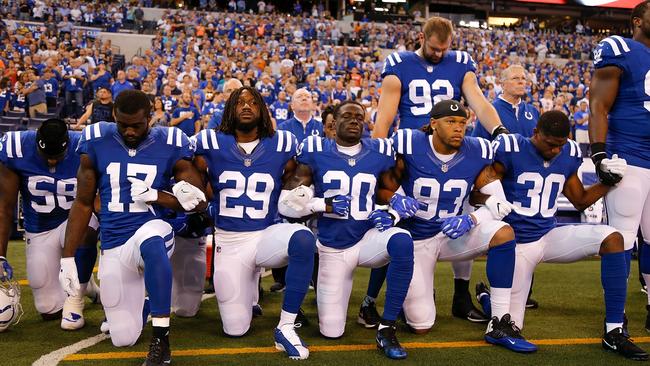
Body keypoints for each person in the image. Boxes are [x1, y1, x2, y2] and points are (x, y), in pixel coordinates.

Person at [371, 16, 510, 324]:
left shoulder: (460, 62)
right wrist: (377, 150)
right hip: (414, 151)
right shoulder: (400, 62)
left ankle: (461, 295)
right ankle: (395, 294)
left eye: (444, 49)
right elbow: (385, 112)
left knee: (459, 213)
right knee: (405, 223)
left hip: (454, 150)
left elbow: (477, 100)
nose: (438, 54)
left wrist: (498, 129)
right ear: (421, 38)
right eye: (434, 48)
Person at [479, 111, 647, 360]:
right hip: (516, 245)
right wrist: (489, 201)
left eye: (561, 144)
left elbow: (580, 200)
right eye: (550, 144)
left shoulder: (568, 152)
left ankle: (614, 331)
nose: (556, 150)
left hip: (547, 236)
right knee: (509, 323)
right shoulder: (510, 147)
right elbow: (477, 189)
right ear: (536, 133)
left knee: (613, 238)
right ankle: (487, 300)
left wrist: (610, 181)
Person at [59, 90, 207, 366]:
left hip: (153, 228)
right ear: (114, 116)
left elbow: (198, 202)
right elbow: (82, 203)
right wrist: (68, 257)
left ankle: (161, 340)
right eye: (122, 124)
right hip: (114, 243)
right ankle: (146, 305)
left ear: (149, 118)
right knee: (122, 337)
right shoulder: (95, 140)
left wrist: (157, 196)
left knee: (152, 240)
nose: (128, 131)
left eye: (136, 125)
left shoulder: (171, 141)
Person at [377, 100, 535, 353]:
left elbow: (500, 205)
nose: (458, 128)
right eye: (451, 122)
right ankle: (420, 295)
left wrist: (471, 219)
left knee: (503, 233)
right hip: (417, 240)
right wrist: (395, 198)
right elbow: (381, 186)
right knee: (421, 324)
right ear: (433, 124)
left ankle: (499, 322)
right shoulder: (409, 144)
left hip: (453, 234)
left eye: (462, 123)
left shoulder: (478, 150)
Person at [279, 100, 414, 360]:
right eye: (347, 116)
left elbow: (398, 196)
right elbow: (286, 205)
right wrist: (322, 204)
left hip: (367, 238)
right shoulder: (315, 151)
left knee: (401, 240)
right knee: (331, 331)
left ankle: (386, 328)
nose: (354, 120)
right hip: (332, 246)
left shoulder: (380, 151)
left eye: (359, 117)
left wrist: (391, 213)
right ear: (333, 124)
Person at [193, 87, 315, 360]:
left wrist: (299, 191)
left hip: (264, 235)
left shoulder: (283, 141)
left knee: (303, 238)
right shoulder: (210, 140)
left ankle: (286, 326)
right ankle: (249, 295)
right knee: (235, 328)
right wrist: (202, 200)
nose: (246, 106)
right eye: (240, 102)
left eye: (252, 102)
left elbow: (305, 168)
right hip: (229, 240)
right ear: (229, 110)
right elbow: (183, 164)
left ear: (262, 110)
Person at [0, 119, 100, 330]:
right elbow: (4, 207)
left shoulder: (85, 146)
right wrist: (0, 257)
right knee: (48, 308)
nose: (52, 162)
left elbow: (98, 199)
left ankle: (77, 297)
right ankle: (89, 285)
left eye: (58, 156)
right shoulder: (15, 148)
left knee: (86, 233)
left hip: (77, 218)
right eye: (47, 156)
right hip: (40, 226)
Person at [589, 2, 650, 328]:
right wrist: (599, 153)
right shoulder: (619, 47)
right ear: (637, 20)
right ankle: (614, 325)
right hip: (629, 159)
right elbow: (598, 103)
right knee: (622, 239)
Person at [473, 65, 539, 139]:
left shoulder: (533, 111)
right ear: (503, 85)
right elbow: (478, 144)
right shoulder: (489, 111)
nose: (521, 82)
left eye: (523, 78)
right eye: (515, 78)